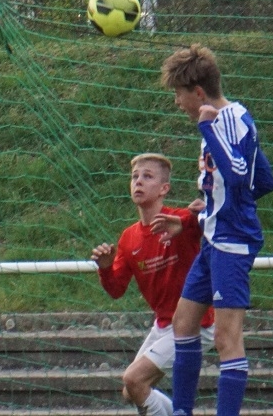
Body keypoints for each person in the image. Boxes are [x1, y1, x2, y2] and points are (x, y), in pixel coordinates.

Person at [160, 44, 273, 416]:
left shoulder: (226, 120)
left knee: (227, 339)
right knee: (183, 323)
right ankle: (181, 411)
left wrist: (207, 128)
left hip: (232, 243)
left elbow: (240, 176)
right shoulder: (222, 119)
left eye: (179, 95)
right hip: (214, 237)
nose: (177, 102)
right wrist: (206, 210)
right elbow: (264, 179)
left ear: (197, 92)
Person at [90, 153, 215, 416]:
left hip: (195, 323)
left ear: (164, 189)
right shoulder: (129, 238)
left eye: (147, 176)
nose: (138, 182)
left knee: (134, 380)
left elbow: (201, 224)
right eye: (135, 176)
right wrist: (104, 268)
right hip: (164, 325)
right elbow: (116, 289)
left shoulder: (177, 220)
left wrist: (198, 215)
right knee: (131, 390)